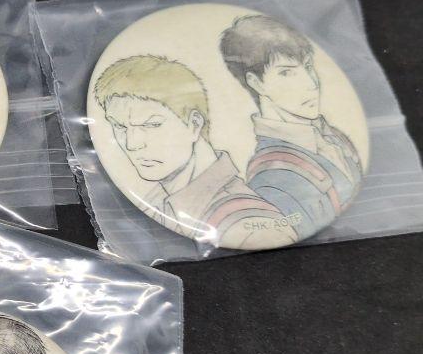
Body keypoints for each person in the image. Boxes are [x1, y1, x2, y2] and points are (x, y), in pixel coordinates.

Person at [92, 55, 298, 250]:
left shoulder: (249, 224)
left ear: (194, 124)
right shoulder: (156, 202)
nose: (132, 143)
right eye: (119, 126)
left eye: (152, 124)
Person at [220, 14, 364, 238]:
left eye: (307, 66)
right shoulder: (272, 179)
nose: (311, 84)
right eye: (286, 72)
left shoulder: (334, 137)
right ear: (256, 83)